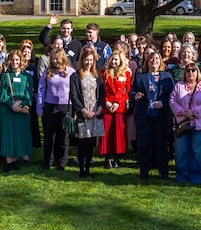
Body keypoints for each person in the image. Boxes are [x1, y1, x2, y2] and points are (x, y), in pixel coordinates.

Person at [131, 51, 174, 180]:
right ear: (147, 61)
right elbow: (131, 92)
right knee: (143, 146)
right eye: (151, 58)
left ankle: (163, 172)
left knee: (161, 146)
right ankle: (144, 173)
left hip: (160, 117)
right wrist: (135, 95)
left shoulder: (166, 77)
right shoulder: (140, 76)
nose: (154, 60)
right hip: (144, 117)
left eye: (156, 58)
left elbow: (172, 96)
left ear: (160, 61)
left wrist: (163, 103)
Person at [170, 62, 201, 185]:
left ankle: (197, 177)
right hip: (182, 124)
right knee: (181, 151)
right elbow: (172, 101)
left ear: (197, 72)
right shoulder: (179, 86)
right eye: (188, 70)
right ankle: (182, 177)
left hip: (199, 125)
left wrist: (194, 112)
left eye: (193, 70)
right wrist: (183, 112)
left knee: (198, 152)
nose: (191, 73)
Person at [36, 48, 77, 171]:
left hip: (66, 106)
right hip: (50, 106)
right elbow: (41, 89)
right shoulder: (48, 72)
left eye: (57, 59)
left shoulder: (70, 72)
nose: (55, 61)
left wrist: (74, 109)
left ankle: (62, 161)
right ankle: (48, 160)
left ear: (63, 59)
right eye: (53, 59)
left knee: (64, 136)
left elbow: (74, 91)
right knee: (49, 135)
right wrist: (39, 107)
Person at [0, 51, 34, 174]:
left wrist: (21, 104)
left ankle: (15, 160)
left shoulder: (27, 76)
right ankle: (8, 162)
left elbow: (29, 93)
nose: (15, 62)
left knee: (18, 134)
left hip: (21, 110)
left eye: (17, 60)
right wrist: (11, 105)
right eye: (12, 60)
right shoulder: (6, 75)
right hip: (7, 110)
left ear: (21, 61)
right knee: (8, 134)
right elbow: (3, 93)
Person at [74, 47, 106, 178]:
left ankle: (88, 169)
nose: (88, 63)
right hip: (83, 113)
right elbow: (74, 96)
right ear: (82, 60)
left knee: (91, 142)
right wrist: (83, 110)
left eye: (91, 60)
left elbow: (102, 94)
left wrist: (99, 109)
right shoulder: (75, 76)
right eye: (86, 60)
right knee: (82, 142)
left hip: (95, 113)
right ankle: (81, 169)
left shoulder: (97, 75)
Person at [100, 52, 131, 169]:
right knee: (107, 134)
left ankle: (117, 158)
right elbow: (102, 90)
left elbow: (126, 91)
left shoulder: (126, 73)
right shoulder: (103, 73)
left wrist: (117, 102)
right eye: (112, 60)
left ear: (120, 61)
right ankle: (107, 158)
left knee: (119, 134)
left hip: (120, 107)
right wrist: (107, 102)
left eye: (116, 60)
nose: (114, 62)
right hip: (107, 107)